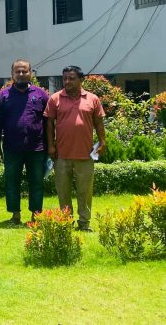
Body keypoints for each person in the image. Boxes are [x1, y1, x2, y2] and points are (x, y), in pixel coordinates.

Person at [45, 65, 106, 232]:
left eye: (71, 78)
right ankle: (66, 223)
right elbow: (49, 123)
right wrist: (50, 145)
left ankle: (84, 224)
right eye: (65, 78)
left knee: (85, 192)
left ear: (81, 80)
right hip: (61, 155)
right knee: (63, 192)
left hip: (85, 155)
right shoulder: (55, 98)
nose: (67, 81)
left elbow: (99, 122)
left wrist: (102, 141)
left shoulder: (92, 99)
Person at [0, 59, 49, 225]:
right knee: (12, 183)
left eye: (24, 71)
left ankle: (36, 216)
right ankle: (15, 215)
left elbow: (49, 122)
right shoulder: (4, 96)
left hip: (37, 148)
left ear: (30, 73)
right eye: (17, 71)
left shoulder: (41, 95)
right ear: (12, 74)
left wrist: (51, 146)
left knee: (37, 183)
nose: (21, 74)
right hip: (12, 148)